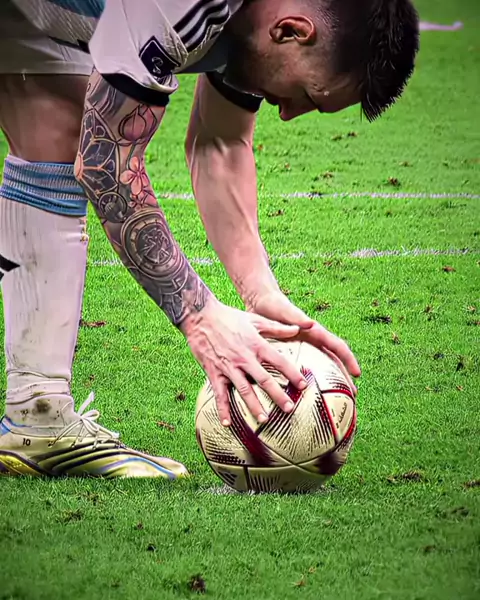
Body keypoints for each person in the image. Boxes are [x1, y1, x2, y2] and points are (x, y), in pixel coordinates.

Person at [0, 0, 419, 478]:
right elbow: (105, 165)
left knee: (54, 124)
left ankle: (38, 415)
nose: (288, 114)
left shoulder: (253, 29)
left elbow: (220, 141)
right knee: (81, 131)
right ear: (291, 31)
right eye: (308, 95)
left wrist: (261, 293)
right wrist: (201, 319)